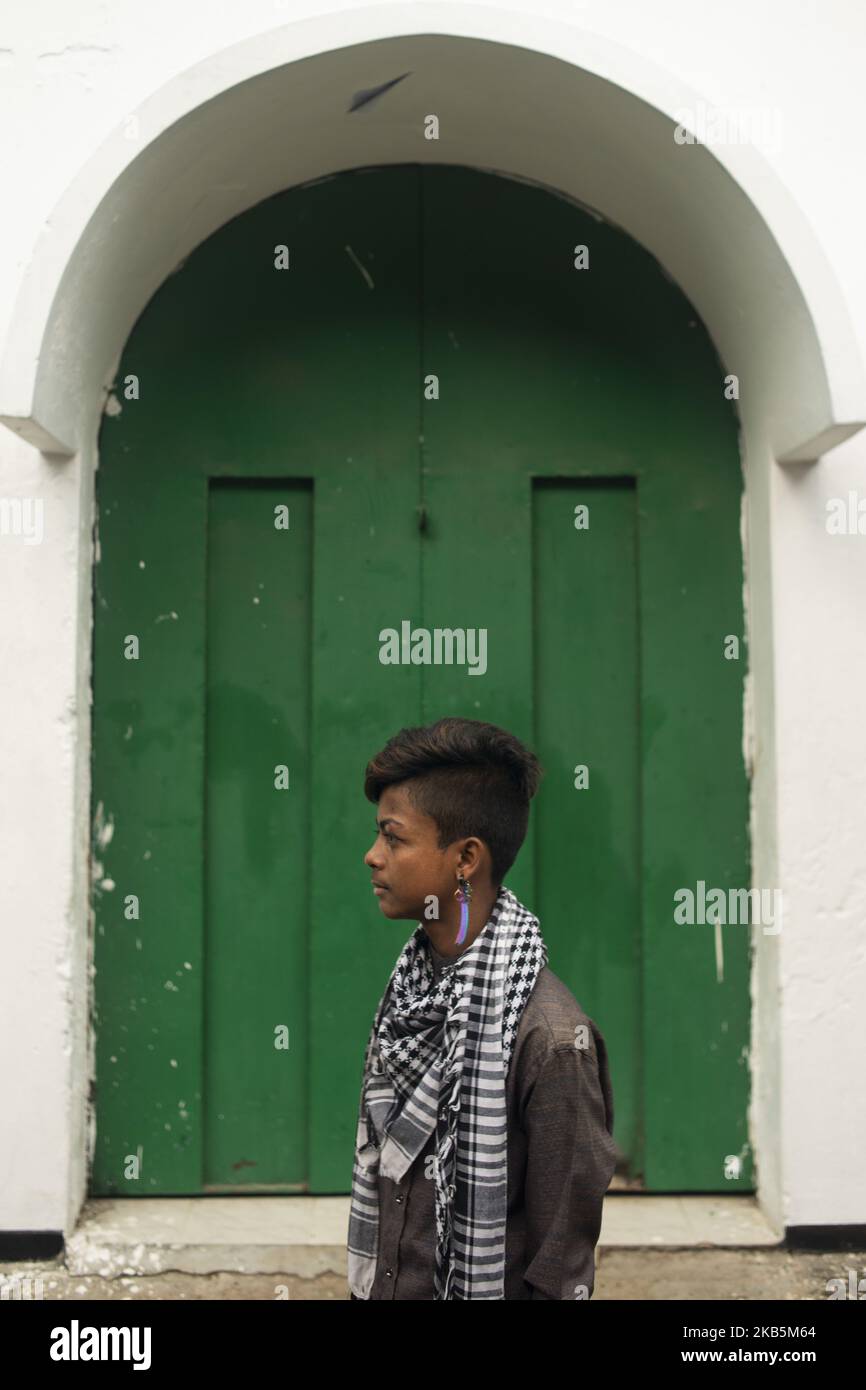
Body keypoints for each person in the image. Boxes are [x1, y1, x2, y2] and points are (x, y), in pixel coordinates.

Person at [346, 716, 618, 1301]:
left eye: (393, 838)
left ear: (465, 859)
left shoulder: (549, 1039)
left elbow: (560, 1267)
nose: (372, 856)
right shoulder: (411, 995)